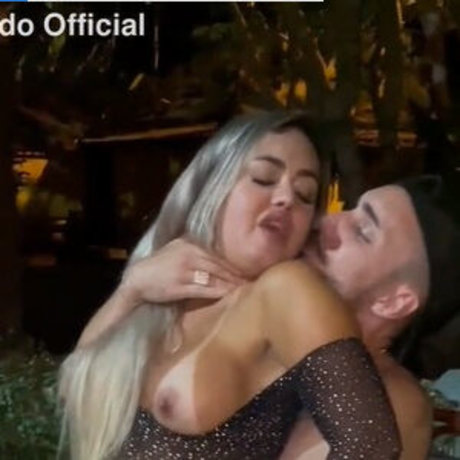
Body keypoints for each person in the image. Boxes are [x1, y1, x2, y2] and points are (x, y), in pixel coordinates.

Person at [58, 111, 401, 460]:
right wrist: (131, 290)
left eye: (305, 194)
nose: (286, 198)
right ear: (213, 185)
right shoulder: (159, 289)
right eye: (264, 178)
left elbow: (371, 445)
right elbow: (75, 389)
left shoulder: (287, 291)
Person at [124, 176, 460, 459]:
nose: (326, 222)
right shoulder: (254, 319)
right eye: (348, 209)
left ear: (394, 302)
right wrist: (132, 290)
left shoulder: (393, 403)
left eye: (362, 231)